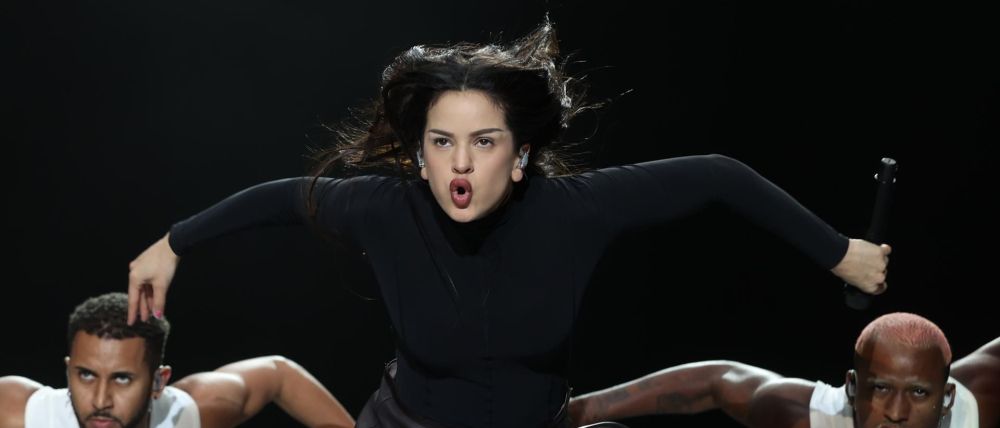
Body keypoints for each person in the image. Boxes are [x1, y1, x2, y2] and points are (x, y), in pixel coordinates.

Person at [125, 20, 890, 428]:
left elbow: (718, 175)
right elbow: (282, 199)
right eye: (441, 142)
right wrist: (173, 244)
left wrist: (840, 253)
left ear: (520, 155)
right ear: (419, 155)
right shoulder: (383, 208)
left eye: (484, 142)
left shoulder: (576, 211)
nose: (460, 163)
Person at [568, 312, 999, 428]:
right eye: (881, 389)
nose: (897, 413)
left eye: (919, 393)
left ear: (946, 397)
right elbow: (715, 382)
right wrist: (574, 413)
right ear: (852, 387)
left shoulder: (980, 400)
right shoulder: (807, 417)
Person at [0, 292, 354, 428]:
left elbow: (278, 373)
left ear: (159, 381)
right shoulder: (20, 413)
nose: (100, 400)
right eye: (86, 375)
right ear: (68, 371)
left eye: (122, 378)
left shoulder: (190, 413)